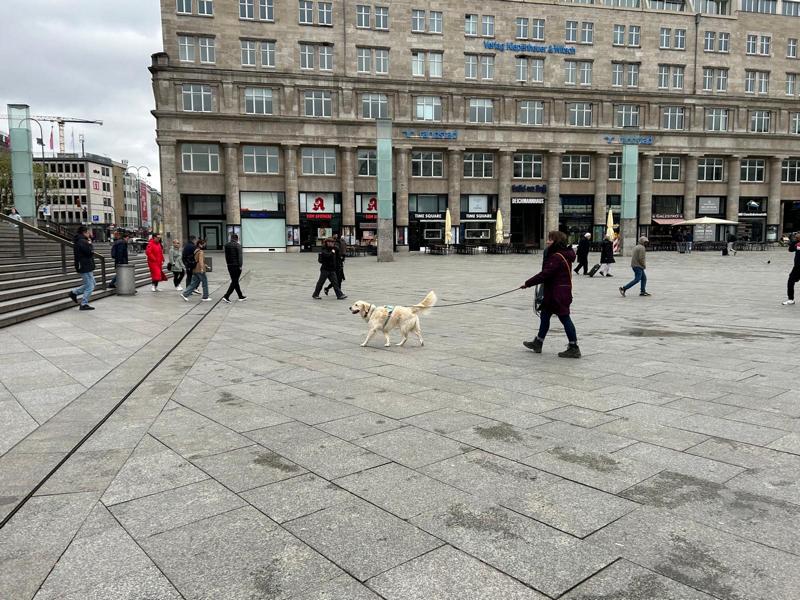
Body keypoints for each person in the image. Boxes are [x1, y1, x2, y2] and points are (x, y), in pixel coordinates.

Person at [520, 231, 581, 358]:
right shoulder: (563, 254)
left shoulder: (557, 257)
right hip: (557, 292)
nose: (547, 241)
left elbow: (545, 274)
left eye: (550, 240)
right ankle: (538, 342)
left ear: (556, 242)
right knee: (545, 315)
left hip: (557, 294)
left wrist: (528, 283)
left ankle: (574, 347)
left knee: (564, 318)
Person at [68, 226, 96, 311]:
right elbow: (89, 252)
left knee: (92, 283)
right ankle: (84, 304)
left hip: (86, 265)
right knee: (90, 286)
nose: (89, 234)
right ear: (84, 232)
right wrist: (90, 244)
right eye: (88, 232)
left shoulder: (81, 240)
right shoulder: (82, 241)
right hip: (84, 265)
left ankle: (74, 292)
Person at [222, 234, 247, 303]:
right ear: (237, 239)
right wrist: (240, 265)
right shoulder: (238, 245)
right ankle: (226, 296)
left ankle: (240, 296)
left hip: (229, 265)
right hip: (236, 265)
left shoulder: (226, 245)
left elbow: (226, 255)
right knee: (235, 281)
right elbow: (240, 256)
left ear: (231, 238)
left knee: (235, 281)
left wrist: (228, 263)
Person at [783, 233, 800, 305]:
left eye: (797, 237)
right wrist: (794, 242)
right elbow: (790, 250)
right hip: (797, 267)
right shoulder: (797, 243)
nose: (796, 238)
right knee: (790, 281)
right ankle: (790, 299)